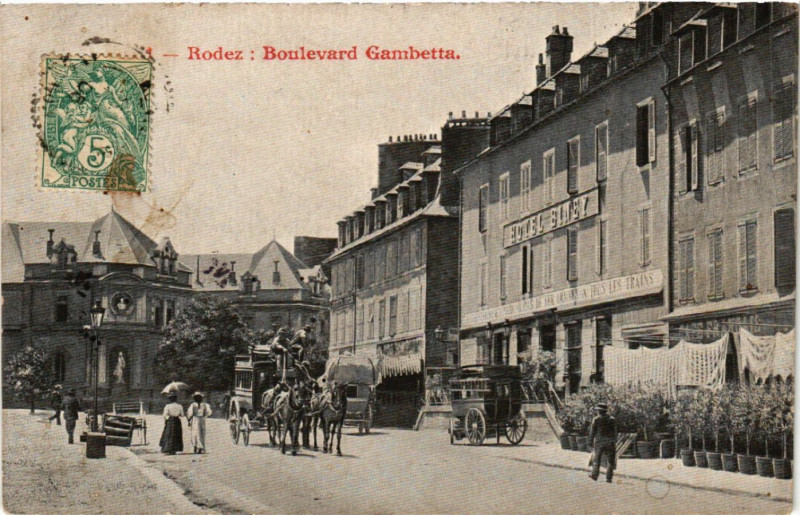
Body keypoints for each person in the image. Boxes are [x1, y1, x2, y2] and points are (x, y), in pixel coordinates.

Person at [589, 402, 618, 483]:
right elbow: (615, 432)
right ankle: (609, 478)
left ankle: (594, 475)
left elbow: (592, 432)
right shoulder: (612, 419)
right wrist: (615, 440)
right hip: (610, 442)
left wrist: (590, 441)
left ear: (599, 411)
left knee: (596, 459)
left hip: (599, 442)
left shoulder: (596, 419)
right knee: (610, 461)